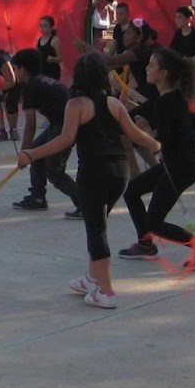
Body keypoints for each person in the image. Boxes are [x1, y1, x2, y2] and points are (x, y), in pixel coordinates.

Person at [18, 51, 162, 309]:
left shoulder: (76, 105)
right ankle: (92, 278)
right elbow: (134, 134)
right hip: (119, 173)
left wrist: (31, 153)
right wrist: (156, 144)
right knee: (98, 222)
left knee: (96, 231)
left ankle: (105, 291)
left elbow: (65, 140)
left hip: (94, 173)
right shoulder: (113, 103)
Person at [117, 48, 195, 269]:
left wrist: (145, 129)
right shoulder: (167, 98)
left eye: (152, 65)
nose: (147, 68)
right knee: (132, 191)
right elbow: (139, 113)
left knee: (154, 222)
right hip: (178, 165)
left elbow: (160, 143)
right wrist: (123, 111)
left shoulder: (168, 103)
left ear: (163, 73)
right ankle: (145, 243)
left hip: (181, 168)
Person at [8, 48, 78, 213]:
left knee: (54, 172)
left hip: (64, 127)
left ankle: (86, 204)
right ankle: (37, 197)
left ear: (24, 70)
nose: (14, 72)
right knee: (36, 153)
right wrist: (30, 153)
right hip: (60, 124)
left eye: (15, 68)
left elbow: (30, 125)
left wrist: (24, 153)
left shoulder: (30, 87)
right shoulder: (42, 80)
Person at [35, 15, 62, 81]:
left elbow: (60, 58)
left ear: (51, 27)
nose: (42, 28)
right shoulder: (37, 40)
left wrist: (53, 59)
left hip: (52, 72)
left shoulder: (54, 40)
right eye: (40, 25)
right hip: (41, 71)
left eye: (45, 26)